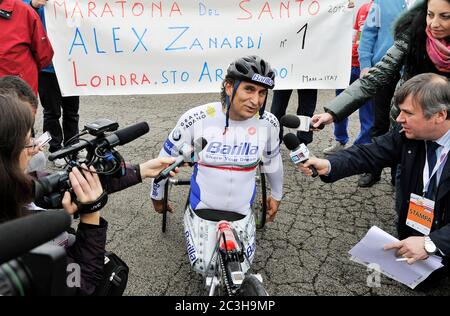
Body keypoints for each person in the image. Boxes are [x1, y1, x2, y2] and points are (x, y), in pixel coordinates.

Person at [0, 93, 179, 295]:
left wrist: (142, 170)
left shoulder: (15, 184)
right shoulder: (16, 241)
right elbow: (83, 285)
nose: (35, 148)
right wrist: (90, 215)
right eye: (27, 142)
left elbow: (70, 182)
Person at [300, 74, 450, 286]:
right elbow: (370, 153)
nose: (398, 119)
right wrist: (329, 164)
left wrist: (431, 243)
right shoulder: (409, 134)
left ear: (439, 115)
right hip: (417, 236)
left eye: (408, 113)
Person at [150, 55, 284, 274]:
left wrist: (277, 195)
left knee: (241, 271)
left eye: (262, 93)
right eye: (249, 89)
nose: (256, 100)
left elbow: (273, 161)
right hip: (203, 209)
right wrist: (157, 197)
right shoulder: (196, 118)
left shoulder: (268, 123)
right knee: (205, 268)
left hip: (242, 212)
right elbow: (163, 160)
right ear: (229, 87)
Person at [312, 0, 449, 184]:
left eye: (445, 17)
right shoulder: (414, 33)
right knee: (406, 185)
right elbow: (376, 75)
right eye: (430, 14)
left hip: (444, 133)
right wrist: (333, 112)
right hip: (411, 129)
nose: (433, 24)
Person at [27, 0, 81, 168]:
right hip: (47, 68)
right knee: (52, 113)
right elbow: (18, 10)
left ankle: (73, 147)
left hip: (71, 63)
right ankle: (56, 149)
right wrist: (33, 4)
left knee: (72, 111)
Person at [323, 0, 374, 164]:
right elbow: (355, 34)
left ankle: (361, 149)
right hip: (347, 64)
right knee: (340, 105)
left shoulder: (385, 9)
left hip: (366, 68)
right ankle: (340, 140)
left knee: (367, 112)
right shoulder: (364, 8)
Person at [0, 0, 53, 95]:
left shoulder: (24, 11)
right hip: (19, 91)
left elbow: (44, 55)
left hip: (18, 94)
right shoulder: (24, 10)